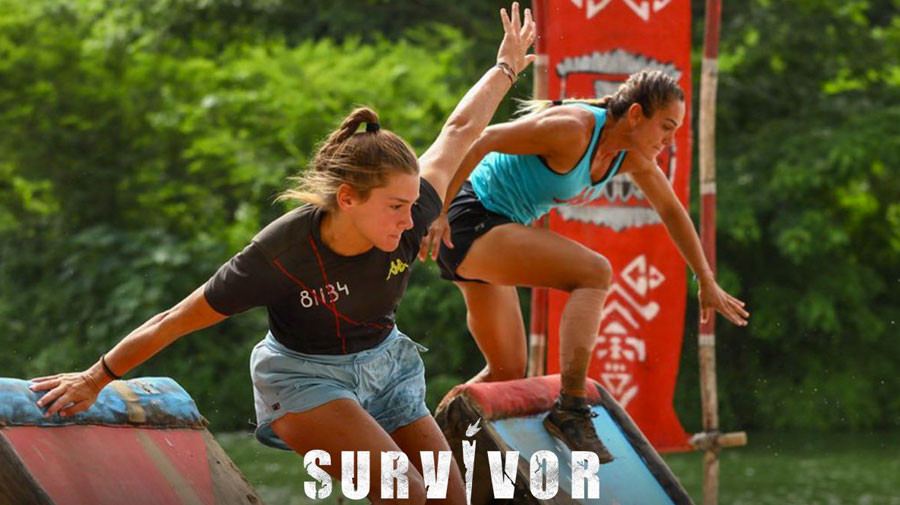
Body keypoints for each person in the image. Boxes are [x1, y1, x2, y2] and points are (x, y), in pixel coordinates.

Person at [28, 4, 535, 503]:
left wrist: (506, 66)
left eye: (411, 205)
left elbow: (459, 130)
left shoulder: (414, 209)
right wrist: (95, 377)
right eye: (395, 207)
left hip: (389, 369)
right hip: (304, 380)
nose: (411, 223)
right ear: (348, 199)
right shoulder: (281, 254)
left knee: (448, 500)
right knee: (407, 495)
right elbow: (176, 319)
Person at [419, 70, 750, 462]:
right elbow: (482, 138)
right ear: (636, 115)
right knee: (594, 272)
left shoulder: (631, 157)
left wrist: (705, 279)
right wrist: (439, 211)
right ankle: (571, 407)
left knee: (506, 371)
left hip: (492, 230)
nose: (669, 140)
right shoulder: (572, 130)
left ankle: (426, 449)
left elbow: (671, 210)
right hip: (468, 218)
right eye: (666, 127)